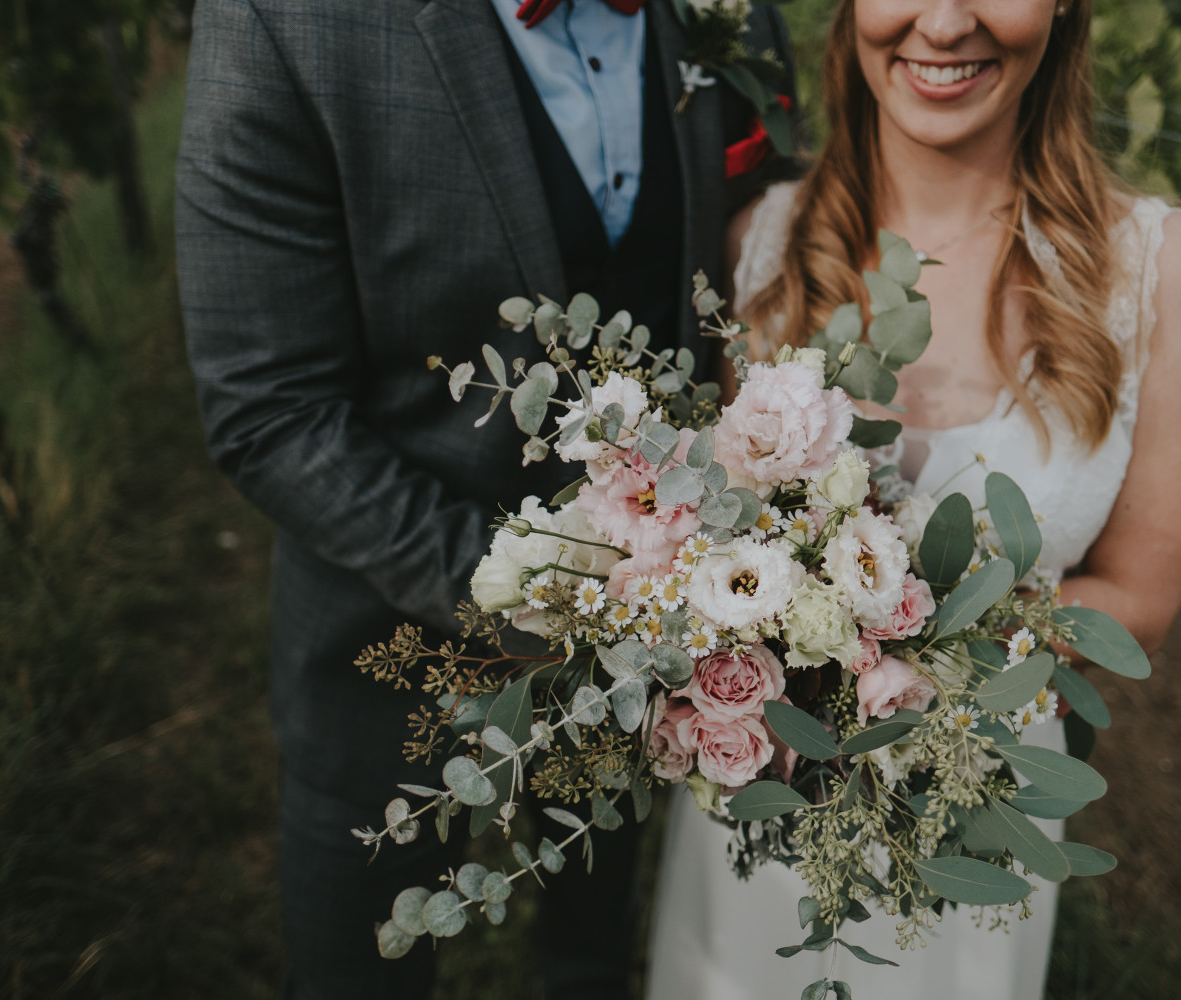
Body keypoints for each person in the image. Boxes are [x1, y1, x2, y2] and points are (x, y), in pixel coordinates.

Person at [173, 0, 794, 996]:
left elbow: (766, 253)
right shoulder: (286, 23)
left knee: (593, 955)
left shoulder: (728, 11)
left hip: (663, 649)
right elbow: (268, 409)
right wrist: (550, 598)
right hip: (381, 649)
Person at [645, 0, 1181, 997]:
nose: (946, 22)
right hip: (762, 800)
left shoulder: (1163, 272)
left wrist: (897, 650)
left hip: (973, 821)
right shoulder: (759, 244)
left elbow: (1140, 599)